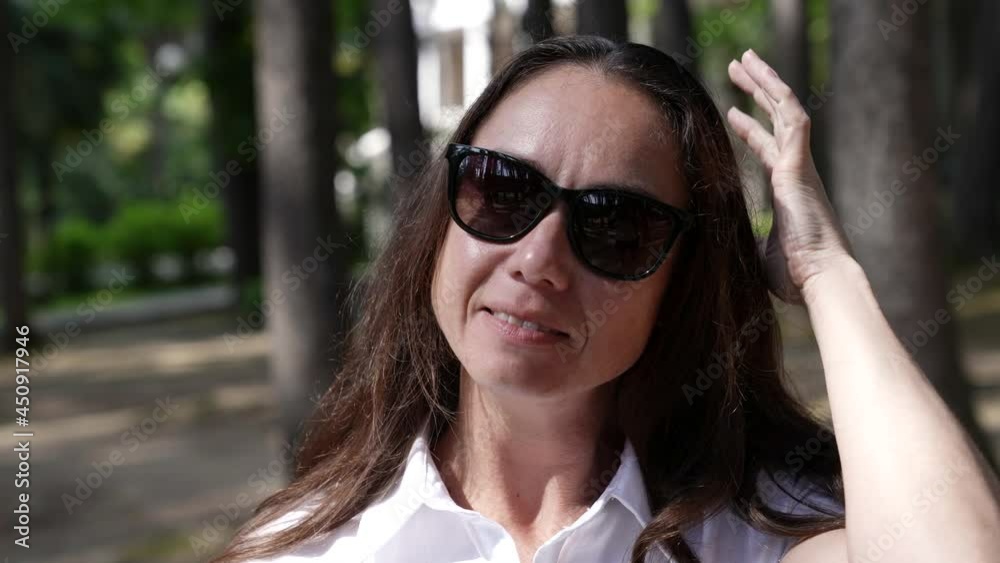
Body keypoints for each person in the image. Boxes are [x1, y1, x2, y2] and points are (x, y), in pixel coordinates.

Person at [211, 36, 1000, 563]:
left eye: (616, 226)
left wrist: (826, 272)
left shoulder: (756, 537)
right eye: (502, 190)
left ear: (682, 282)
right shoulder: (307, 549)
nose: (539, 261)